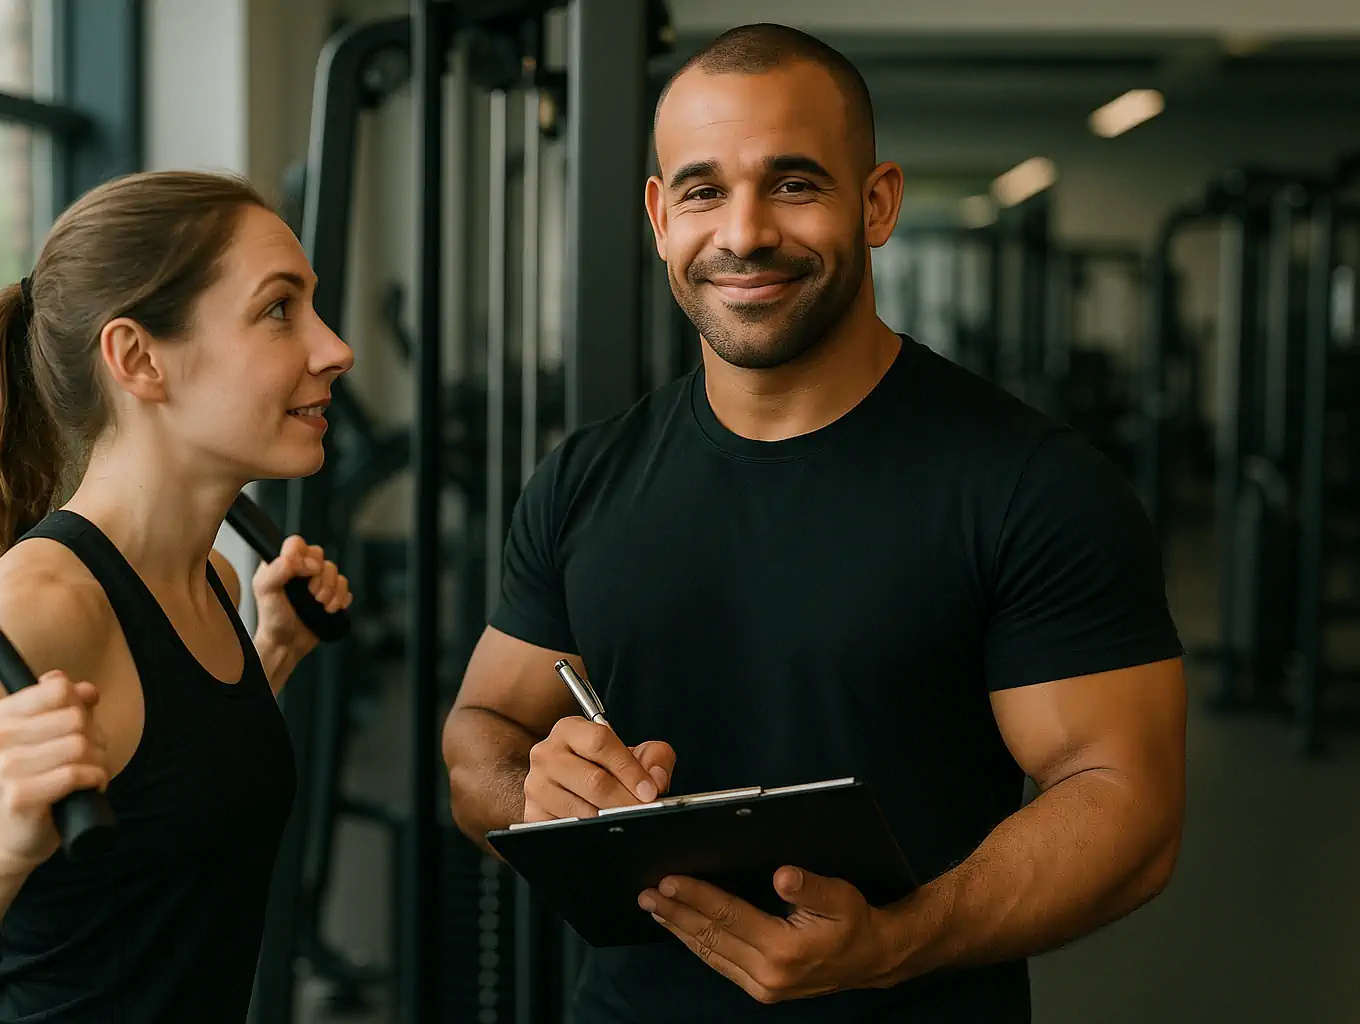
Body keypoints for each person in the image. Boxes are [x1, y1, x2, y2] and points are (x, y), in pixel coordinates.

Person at [442, 22, 1186, 1024]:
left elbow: (1127, 805)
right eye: (703, 190)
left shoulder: (1030, 486)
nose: (743, 232)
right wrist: (538, 791)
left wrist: (897, 942)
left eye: (793, 183)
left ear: (877, 203)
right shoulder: (585, 477)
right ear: (661, 217)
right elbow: (480, 736)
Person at [0, 170, 354, 1023]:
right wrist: (3, 839)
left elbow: (164, 800)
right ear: (138, 359)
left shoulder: (211, 581)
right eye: (279, 310)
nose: (334, 348)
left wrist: (272, 653)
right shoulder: (37, 611)